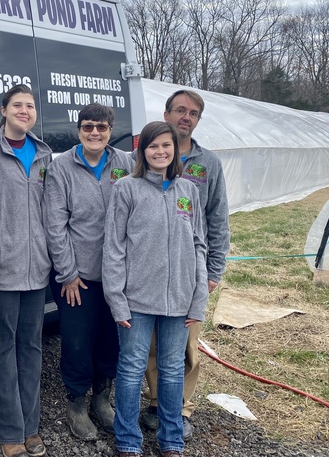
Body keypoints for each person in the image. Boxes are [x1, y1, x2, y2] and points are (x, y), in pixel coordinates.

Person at [103, 121, 208, 457]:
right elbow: (114, 248)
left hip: (179, 300)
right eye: (153, 146)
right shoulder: (126, 189)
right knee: (132, 368)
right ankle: (128, 440)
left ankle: (171, 439)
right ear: (142, 152)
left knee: (173, 368)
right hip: (136, 300)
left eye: (167, 145)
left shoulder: (187, 191)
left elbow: (199, 245)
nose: (160, 151)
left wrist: (198, 299)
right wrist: (117, 301)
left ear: (175, 150)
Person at [141, 90, 231, 441]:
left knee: (185, 343)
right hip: (150, 269)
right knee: (151, 342)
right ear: (166, 114)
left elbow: (217, 218)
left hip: (189, 270)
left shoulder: (207, 164)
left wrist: (213, 270)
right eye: (180, 110)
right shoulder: (149, 156)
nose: (186, 117)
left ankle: (180, 407)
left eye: (193, 113)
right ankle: (154, 401)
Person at [44, 103, 134, 440]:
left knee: (111, 339)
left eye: (101, 126)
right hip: (77, 278)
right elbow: (55, 225)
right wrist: (67, 273)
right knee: (78, 341)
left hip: (118, 275)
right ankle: (76, 402)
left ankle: (102, 397)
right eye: (87, 126)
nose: (94, 132)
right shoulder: (62, 168)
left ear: (111, 130)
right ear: (78, 129)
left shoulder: (125, 164)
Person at [0, 84, 52, 457]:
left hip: (36, 270)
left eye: (30, 106)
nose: (24, 111)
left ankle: (31, 426)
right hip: (0, 269)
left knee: (31, 347)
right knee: (1, 349)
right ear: (4, 110)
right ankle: (9, 431)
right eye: (17, 105)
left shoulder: (44, 154)